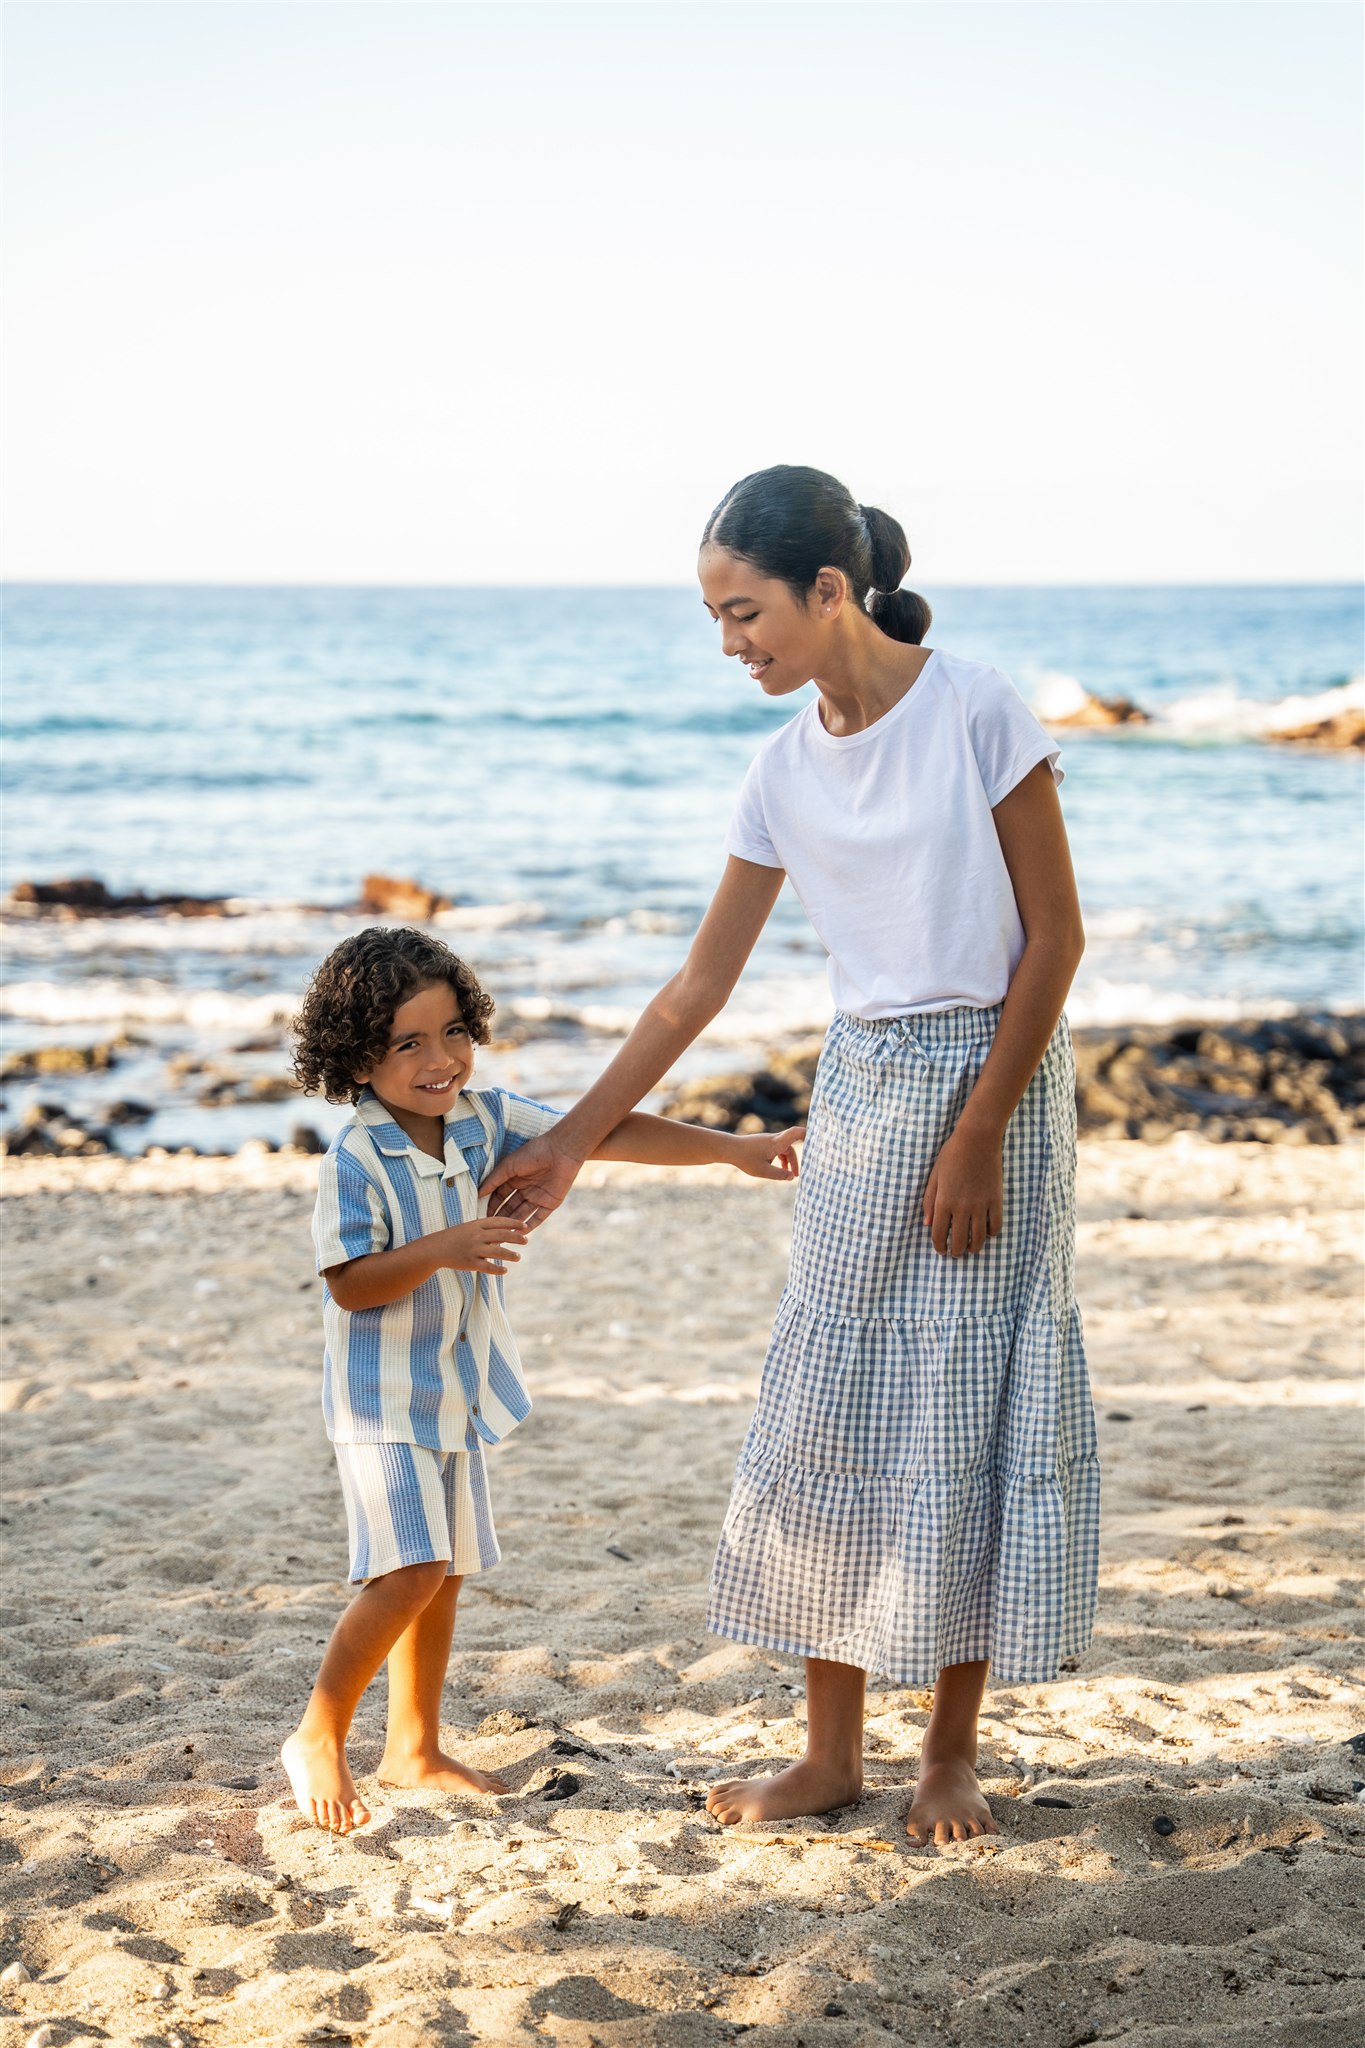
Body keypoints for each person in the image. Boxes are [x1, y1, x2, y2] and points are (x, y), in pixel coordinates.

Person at [481, 464, 1099, 1846]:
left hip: (997, 1081)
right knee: (828, 1410)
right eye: (714, 617)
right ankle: (828, 1754)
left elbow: (1053, 939)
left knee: (962, 1415)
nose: (729, 644)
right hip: (864, 1089)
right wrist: (573, 1144)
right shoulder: (777, 770)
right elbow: (693, 992)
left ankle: (947, 1753)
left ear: (831, 591)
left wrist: (983, 1133)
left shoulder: (977, 709)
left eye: (744, 611)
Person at [280, 925, 804, 1835]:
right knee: (408, 1570)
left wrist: (729, 1149)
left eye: (453, 1032)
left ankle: (413, 1743)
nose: (441, 1060)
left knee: (442, 1575)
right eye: (409, 1043)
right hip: (379, 1403)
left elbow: (598, 1133)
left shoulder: (481, 1121)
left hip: (455, 1386)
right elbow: (349, 1286)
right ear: (356, 1057)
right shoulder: (356, 1161)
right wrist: (443, 1247)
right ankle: (317, 1731)